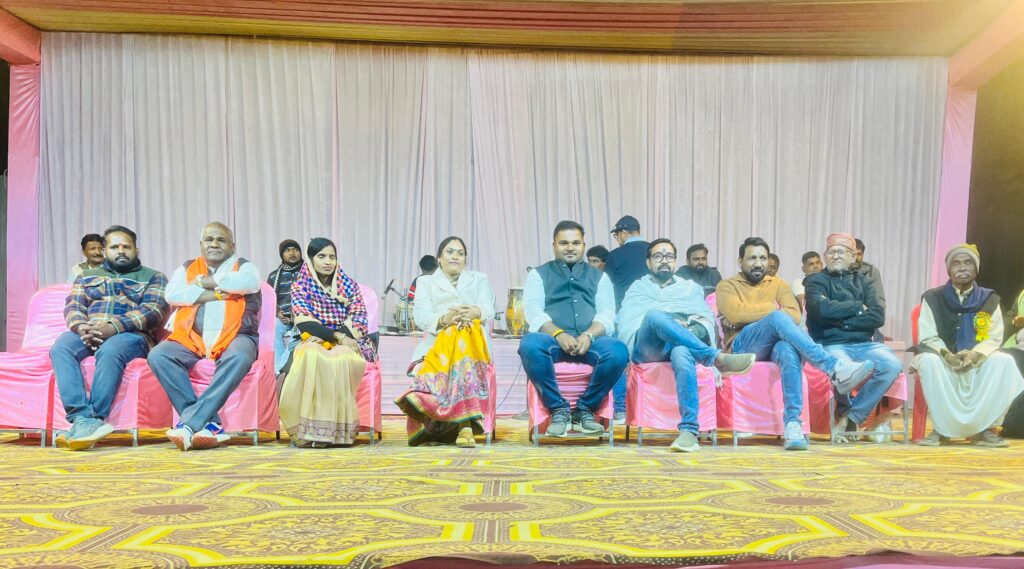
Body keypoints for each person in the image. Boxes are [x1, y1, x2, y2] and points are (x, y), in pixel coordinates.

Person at [716, 237, 876, 449]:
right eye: (752, 258)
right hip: (742, 346)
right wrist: (773, 308)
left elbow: (794, 315)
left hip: (775, 345)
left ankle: (793, 423)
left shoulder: (779, 285)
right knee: (777, 318)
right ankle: (833, 367)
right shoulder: (727, 286)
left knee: (787, 349)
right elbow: (736, 314)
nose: (759, 263)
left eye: (763, 258)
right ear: (740, 262)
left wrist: (760, 314)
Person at [618, 238, 754, 452]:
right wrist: (669, 322)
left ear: (675, 261)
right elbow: (628, 322)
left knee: (682, 351)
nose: (664, 260)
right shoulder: (638, 288)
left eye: (669, 256)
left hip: (681, 343)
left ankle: (689, 431)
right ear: (648, 262)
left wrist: (687, 327)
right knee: (654, 316)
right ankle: (714, 357)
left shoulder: (689, 288)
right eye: (658, 256)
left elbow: (705, 321)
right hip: (649, 348)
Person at [50, 226, 168, 450]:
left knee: (111, 349)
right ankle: (82, 418)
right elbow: (73, 306)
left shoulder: (154, 277)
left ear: (136, 250)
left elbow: (153, 311)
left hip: (131, 336)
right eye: (115, 247)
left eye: (126, 246)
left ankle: (95, 417)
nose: (121, 251)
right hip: (90, 331)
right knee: (61, 347)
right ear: (105, 251)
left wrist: (113, 327)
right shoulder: (86, 276)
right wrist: (82, 327)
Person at [148, 222, 262, 451]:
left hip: (237, 335)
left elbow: (249, 283)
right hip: (192, 336)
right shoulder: (188, 267)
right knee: (159, 355)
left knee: (239, 357)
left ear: (232, 246)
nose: (214, 244)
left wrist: (206, 282)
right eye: (209, 239)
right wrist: (217, 294)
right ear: (201, 244)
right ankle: (210, 424)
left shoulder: (244, 266)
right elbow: (173, 294)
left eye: (221, 240)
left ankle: (190, 424)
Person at [518, 220, 629, 437]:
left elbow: (606, 314)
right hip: (552, 341)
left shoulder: (600, 276)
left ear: (583, 245)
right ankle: (558, 409)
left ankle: (585, 409)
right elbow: (534, 313)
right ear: (554, 246)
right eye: (564, 243)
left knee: (618, 351)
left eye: (576, 243)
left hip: (590, 341)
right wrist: (558, 334)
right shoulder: (538, 274)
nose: (570, 247)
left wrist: (589, 335)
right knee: (529, 344)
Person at [909, 244, 1024, 447]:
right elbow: (927, 336)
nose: (962, 267)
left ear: (976, 268)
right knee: (928, 361)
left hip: (977, 360)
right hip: (943, 358)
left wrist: (975, 355)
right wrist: (948, 356)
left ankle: (983, 428)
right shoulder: (933, 298)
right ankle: (942, 429)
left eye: (968, 262)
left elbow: (993, 337)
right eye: (956, 263)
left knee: (1004, 361)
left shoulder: (989, 299)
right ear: (949, 270)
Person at [396, 236, 496, 447]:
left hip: (474, 344)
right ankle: (464, 425)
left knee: (462, 331)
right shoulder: (426, 282)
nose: (455, 256)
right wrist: (445, 319)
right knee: (453, 331)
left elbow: (488, 308)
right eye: (450, 252)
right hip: (437, 345)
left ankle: (460, 423)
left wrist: (474, 312)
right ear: (439, 258)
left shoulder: (479, 279)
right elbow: (421, 316)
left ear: (465, 259)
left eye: (460, 253)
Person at [277, 238, 377, 447]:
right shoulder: (300, 286)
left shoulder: (349, 286)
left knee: (342, 358)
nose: (328, 262)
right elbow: (304, 322)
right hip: (312, 339)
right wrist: (336, 336)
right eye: (321, 256)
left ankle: (336, 434)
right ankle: (310, 432)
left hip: (348, 342)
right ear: (311, 260)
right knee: (311, 354)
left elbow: (359, 319)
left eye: (332, 257)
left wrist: (338, 338)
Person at [804, 233, 901, 443]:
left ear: (852, 256)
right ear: (825, 256)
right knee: (842, 367)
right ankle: (846, 412)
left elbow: (877, 316)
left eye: (841, 252)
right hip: (832, 344)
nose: (836, 256)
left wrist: (839, 322)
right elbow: (819, 311)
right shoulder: (815, 281)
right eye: (831, 252)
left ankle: (851, 417)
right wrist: (858, 307)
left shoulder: (865, 281)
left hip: (865, 344)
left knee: (892, 364)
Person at [267, 239, 303, 373]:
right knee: (273, 329)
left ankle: (281, 369)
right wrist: (278, 313)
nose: (292, 253)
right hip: (282, 316)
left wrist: (298, 313)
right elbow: (269, 299)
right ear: (282, 254)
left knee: (298, 334)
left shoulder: (308, 274)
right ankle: (278, 371)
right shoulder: (274, 276)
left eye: (295, 250)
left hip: (303, 315)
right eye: (288, 250)